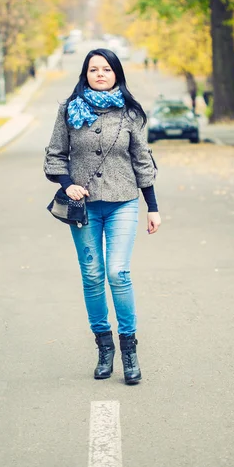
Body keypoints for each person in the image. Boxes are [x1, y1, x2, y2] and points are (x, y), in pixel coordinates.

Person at [44, 48, 161, 385]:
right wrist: (67, 185)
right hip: (85, 207)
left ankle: (129, 348)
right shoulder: (68, 111)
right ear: (85, 74)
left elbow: (142, 160)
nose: (99, 74)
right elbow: (55, 154)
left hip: (123, 202)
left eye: (106, 69)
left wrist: (152, 206)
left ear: (116, 74)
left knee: (117, 272)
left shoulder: (131, 113)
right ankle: (104, 346)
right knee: (93, 275)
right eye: (93, 69)